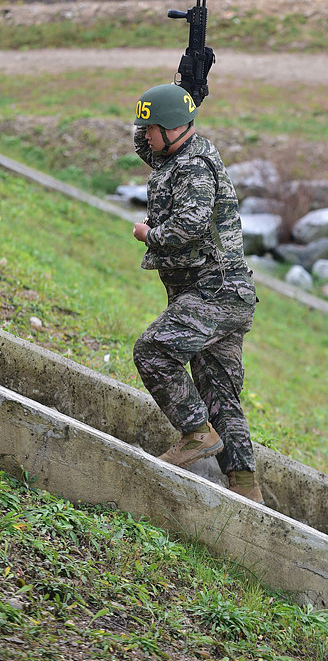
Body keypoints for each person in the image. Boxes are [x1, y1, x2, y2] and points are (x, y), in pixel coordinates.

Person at [131, 82, 263, 503]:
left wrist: (150, 234)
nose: (145, 134)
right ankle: (246, 487)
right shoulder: (174, 153)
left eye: (151, 127)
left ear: (172, 128)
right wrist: (183, 91)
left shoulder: (193, 167)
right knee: (219, 392)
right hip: (228, 294)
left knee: (152, 351)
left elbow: (189, 224)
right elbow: (146, 147)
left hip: (214, 292)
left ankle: (195, 433)